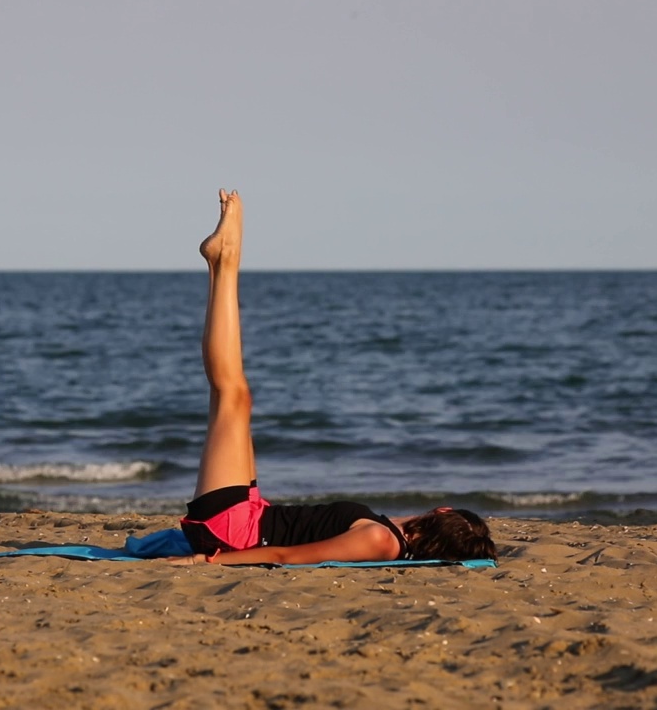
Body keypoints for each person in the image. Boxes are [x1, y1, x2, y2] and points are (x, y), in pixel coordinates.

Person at [169, 190, 496, 566]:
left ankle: (227, 260)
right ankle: (219, 265)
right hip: (250, 515)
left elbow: (284, 555)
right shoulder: (387, 529)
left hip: (232, 531)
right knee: (234, 397)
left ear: (441, 513)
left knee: (232, 393)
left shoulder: (381, 541)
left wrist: (203, 563)